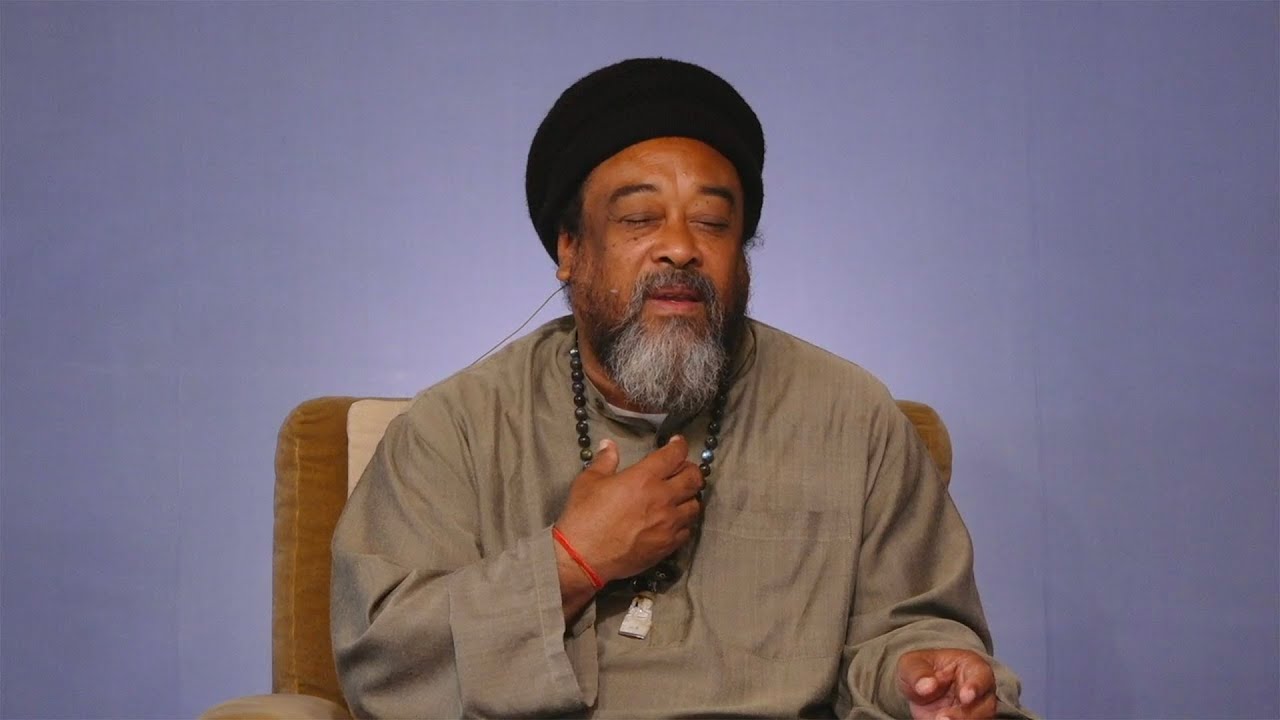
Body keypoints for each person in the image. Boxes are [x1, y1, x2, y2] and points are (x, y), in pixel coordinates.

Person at [330, 57, 1032, 719]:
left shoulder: (851, 418)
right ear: (570, 249)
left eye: (713, 223)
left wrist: (921, 679)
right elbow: (384, 664)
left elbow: (909, 627)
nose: (681, 247)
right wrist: (571, 561)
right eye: (639, 219)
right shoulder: (455, 427)